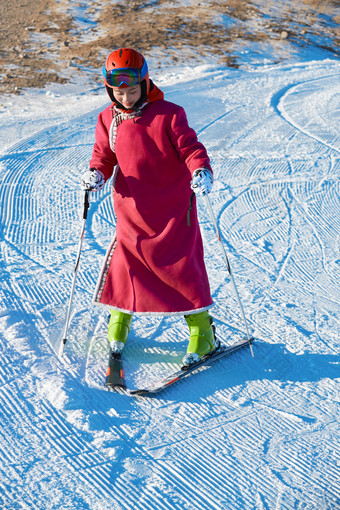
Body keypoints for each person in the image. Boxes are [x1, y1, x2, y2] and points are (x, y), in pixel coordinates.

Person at [81, 47, 219, 366]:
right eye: (119, 91)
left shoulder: (170, 114)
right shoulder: (108, 118)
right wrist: (97, 174)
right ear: (110, 90)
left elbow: (191, 148)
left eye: (131, 89)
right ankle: (119, 322)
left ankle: (203, 333)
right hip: (131, 211)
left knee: (182, 270)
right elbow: (104, 156)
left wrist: (201, 170)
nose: (126, 97)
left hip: (172, 210)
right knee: (127, 268)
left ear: (145, 84)